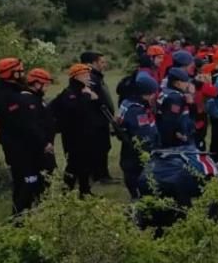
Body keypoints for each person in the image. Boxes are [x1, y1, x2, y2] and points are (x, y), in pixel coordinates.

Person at [0, 59, 46, 215]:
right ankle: (18, 220)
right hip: (19, 148)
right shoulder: (7, 96)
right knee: (26, 182)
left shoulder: (13, 92)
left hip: (22, 146)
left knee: (29, 182)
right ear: (10, 73)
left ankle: (26, 213)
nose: (23, 73)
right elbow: (23, 124)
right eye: (19, 71)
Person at [51, 64, 100, 197]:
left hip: (86, 134)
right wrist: (87, 97)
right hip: (74, 136)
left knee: (86, 163)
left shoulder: (85, 90)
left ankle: (85, 191)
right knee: (73, 164)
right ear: (77, 76)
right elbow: (75, 110)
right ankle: (67, 192)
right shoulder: (69, 93)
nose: (88, 77)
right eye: (85, 75)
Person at [117, 74, 161, 200]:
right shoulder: (137, 110)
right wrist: (151, 148)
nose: (154, 96)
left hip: (129, 152)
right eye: (152, 93)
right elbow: (143, 134)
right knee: (138, 184)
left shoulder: (127, 102)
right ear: (144, 93)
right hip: (136, 154)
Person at [81, 51, 115, 183]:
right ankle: (100, 175)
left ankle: (102, 174)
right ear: (91, 64)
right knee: (99, 148)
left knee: (104, 146)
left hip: (102, 119)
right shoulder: (91, 79)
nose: (104, 65)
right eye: (101, 62)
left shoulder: (97, 77)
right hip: (95, 120)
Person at [23, 68, 57, 176]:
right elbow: (32, 125)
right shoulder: (28, 100)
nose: (47, 88)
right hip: (39, 148)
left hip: (46, 145)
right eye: (46, 85)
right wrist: (44, 143)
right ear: (37, 84)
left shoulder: (37, 99)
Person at [157, 68, 196, 148]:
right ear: (177, 84)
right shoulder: (175, 98)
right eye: (185, 82)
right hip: (174, 142)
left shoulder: (166, 91)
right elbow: (171, 122)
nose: (187, 84)